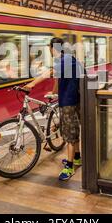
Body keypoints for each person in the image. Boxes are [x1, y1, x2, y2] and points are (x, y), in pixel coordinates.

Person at [24, 37, 83, 181]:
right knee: (72, 132)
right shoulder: (64, 59)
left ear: (53, 48)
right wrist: (54, 93)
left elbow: (49, 73)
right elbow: (58, 78)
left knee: (69, 135)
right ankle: (77, 158)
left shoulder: (66, 59)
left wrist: (31, 84)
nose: (49, 50)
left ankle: (69, 167)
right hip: (67, 100)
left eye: (49, 48)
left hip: (70, 102)